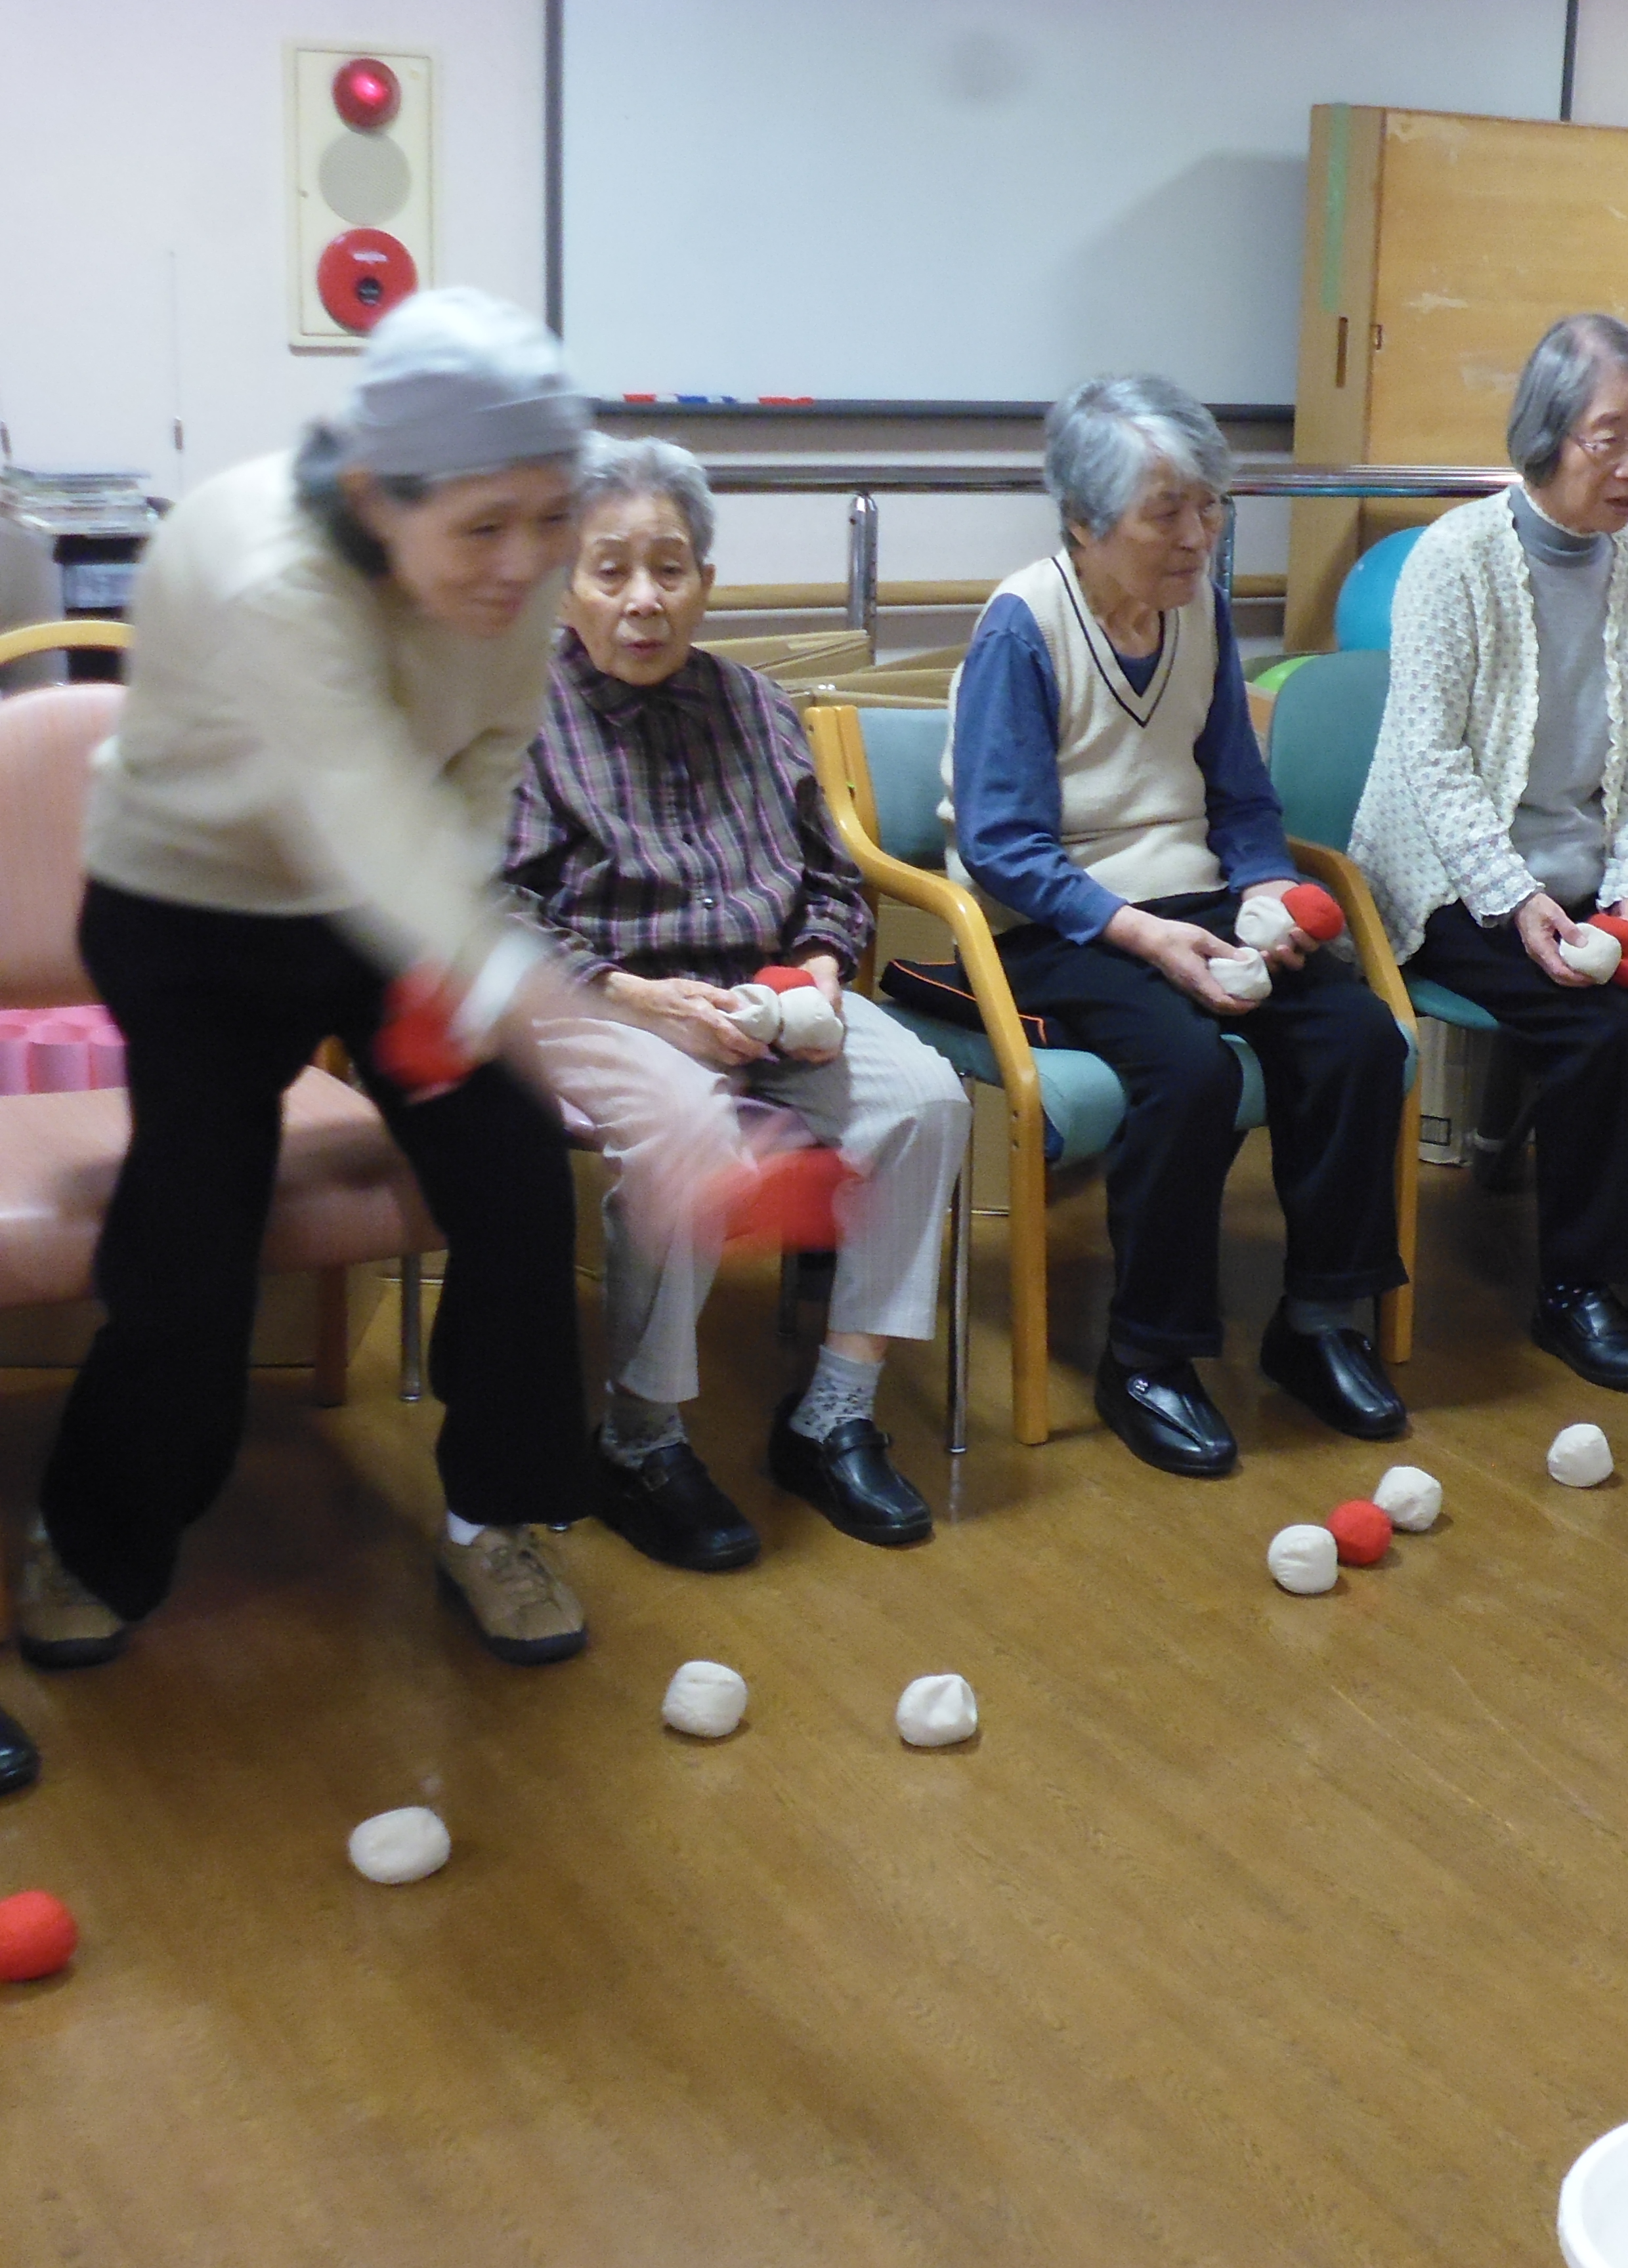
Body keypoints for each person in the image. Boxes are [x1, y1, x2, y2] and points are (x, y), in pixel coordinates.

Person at [11, 289, 738, 1691]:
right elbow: (356, 818)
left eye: (549, 518)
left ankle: (498, 1513)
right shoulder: (265, 572)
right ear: (368, 495)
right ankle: (95, 1539)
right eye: (484, 527)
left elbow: (478, 765)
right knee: (192, 1243)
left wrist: (458, 967)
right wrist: (588, 1032)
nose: (526, 564)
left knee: (520, 1183)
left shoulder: (506, 568)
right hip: (195, 914)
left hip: (387, 902)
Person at [506, 438, 972, 1565]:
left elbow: (829, 879)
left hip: (769, 994)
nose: (642, 598)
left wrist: (816, 973)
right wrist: (641, 1001)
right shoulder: (520, 717)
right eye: (609, 570)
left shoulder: (757, 708)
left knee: (927, 1098)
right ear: (566, 584)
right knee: (688, 1135)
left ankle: (832, 1414)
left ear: (706, 583)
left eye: (669, 568)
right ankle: (640, 1437)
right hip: (610, 1002)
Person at [944, 375, 1409, 1479]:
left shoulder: (1197, 609)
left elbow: (1241, 796)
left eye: (1210, 506)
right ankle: (1147, 1357)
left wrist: (1256, 889)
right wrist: (1140, 935)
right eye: (1168, 512)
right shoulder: (1024, 623)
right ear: (1083, 519)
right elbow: (1005, 846)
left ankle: (1319, 1324)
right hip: (1055, 920)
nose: (1198, 535)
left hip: (1195, 900)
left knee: (1358, 1038)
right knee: (1187, 1072)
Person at [1352, 314, 1628, 1393]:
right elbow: (1431, 766)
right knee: (1593, 1031)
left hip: (1588, 874)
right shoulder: (1455, 558)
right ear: (1546, 432)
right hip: (1445, 875)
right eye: (1607, 438)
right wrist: (1518, 898)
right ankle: (1574, 1288)